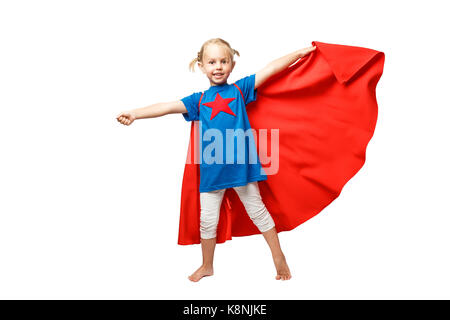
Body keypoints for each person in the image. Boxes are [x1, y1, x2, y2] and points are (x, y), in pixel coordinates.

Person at [116, 38, 316, 282]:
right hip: (213, 173)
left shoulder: (240, 90)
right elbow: (167, 107)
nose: (218, 66)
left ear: (232, 65)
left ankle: (278, 257)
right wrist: (135, 114)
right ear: (201, 66)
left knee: (259, 212)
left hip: (242, 170)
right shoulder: (198, 100)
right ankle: (207, 265)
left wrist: (299, 53)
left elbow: (271, 69)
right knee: (207, 222)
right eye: (212, 62)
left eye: (223, 61)